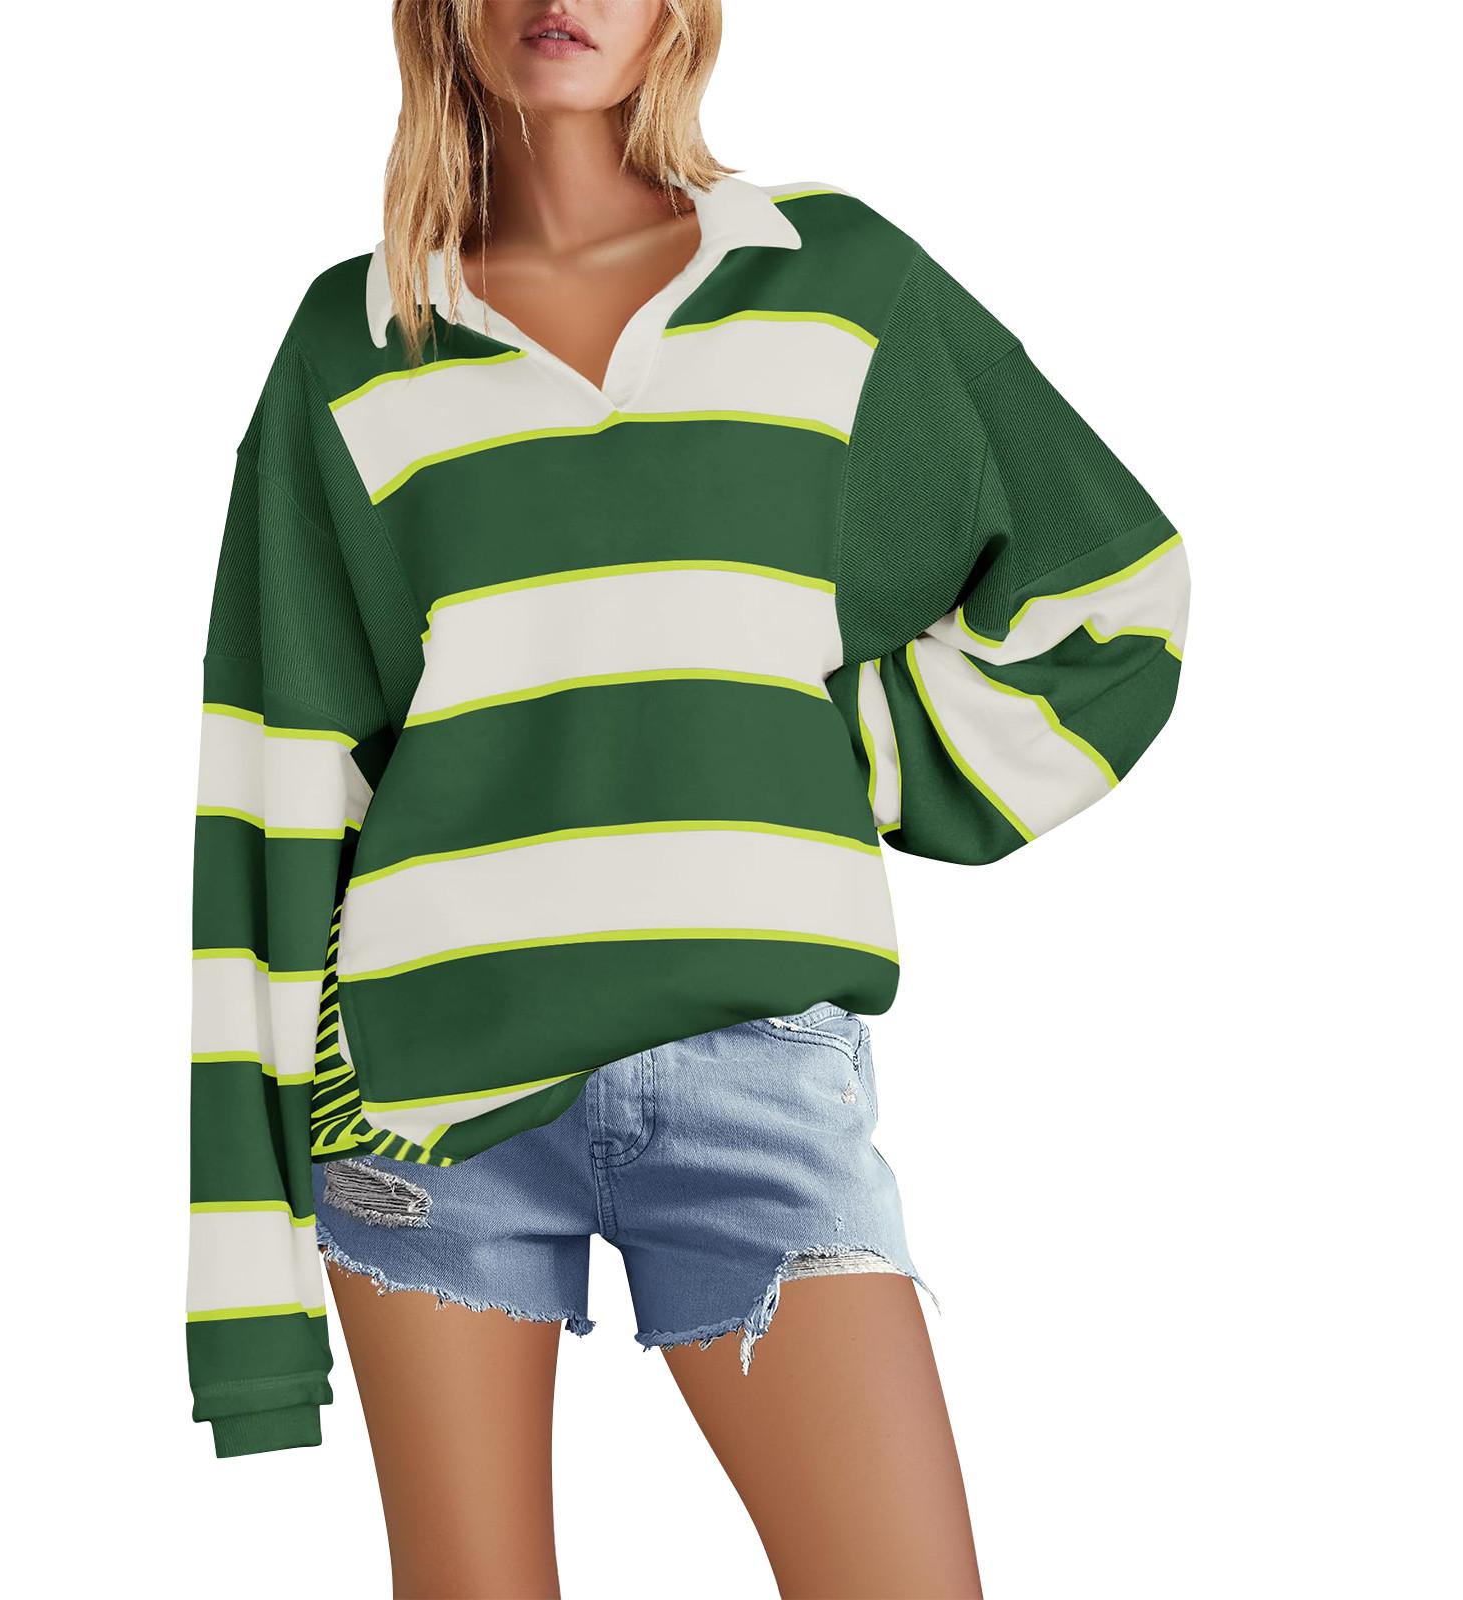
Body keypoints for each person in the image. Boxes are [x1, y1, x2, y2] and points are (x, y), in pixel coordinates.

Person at [185, 3, 1189, 1595]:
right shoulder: (356, 344)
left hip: (757, 1075)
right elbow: (269, 798)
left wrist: (816, 757)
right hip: (425, 1100)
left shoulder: (836, 285)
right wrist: (243, 1308)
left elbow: (1111, 606)